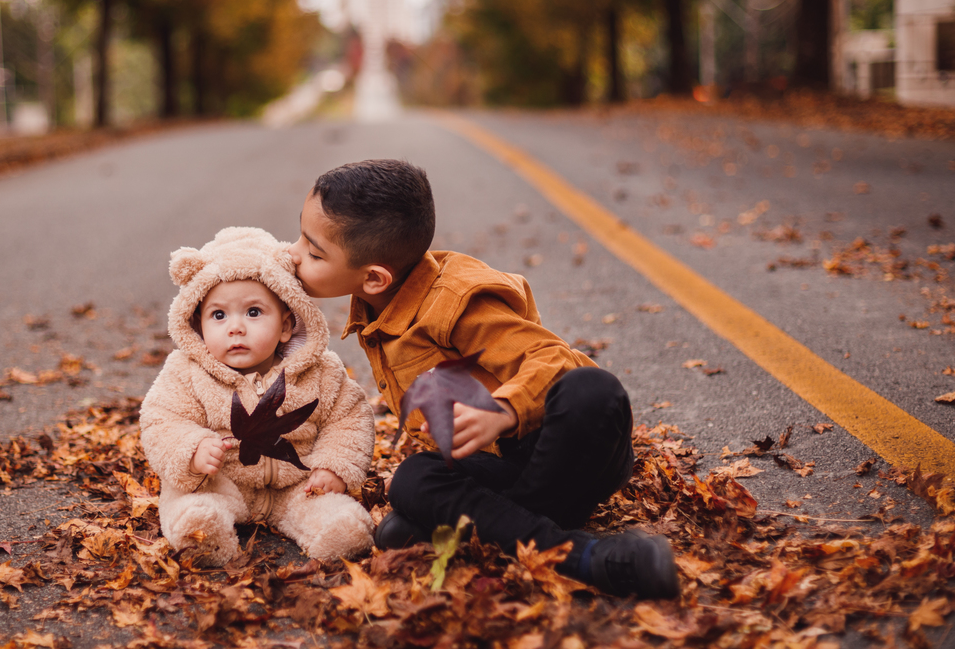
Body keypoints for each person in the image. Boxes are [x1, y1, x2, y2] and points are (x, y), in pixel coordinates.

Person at [286, 159, 680, 599]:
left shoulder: (456, 301)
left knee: (593, 388)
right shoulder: (376, 306)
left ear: (375, 278)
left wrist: (504, 411)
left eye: (313, 252)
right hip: (509, 467)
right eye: (301, 237)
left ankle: (586, 557)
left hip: (569, 448)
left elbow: (553, 360)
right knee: (413, 479)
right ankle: (524, 528)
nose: (293, 254)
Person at [140, 227, 375, 566]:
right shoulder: (186, 373)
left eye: (253, 312)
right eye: (218, 315)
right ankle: (201, 530)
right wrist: (192, 449)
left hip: (297, 485)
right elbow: (162, 418)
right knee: (189, 499)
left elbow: (349, 417)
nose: (235, 327)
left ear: (286, 325)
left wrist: (334, 465)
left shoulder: (320, 372)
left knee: (337, 518)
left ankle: (336, 530)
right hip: (219, 481)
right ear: (198, 323)